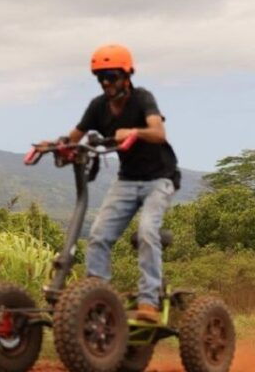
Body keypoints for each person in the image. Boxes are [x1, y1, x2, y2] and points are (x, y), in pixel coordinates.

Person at [48, 44, 180, 323]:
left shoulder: (142, 99)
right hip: (128, 180)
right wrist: (58, 145)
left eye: (111, 76)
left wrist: (133, 131)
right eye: (101, 77)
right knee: (97, 236)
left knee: (146, 232)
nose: (106, 83)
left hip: (160, 179)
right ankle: (98, 299)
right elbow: (75, 136)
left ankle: (149, 302)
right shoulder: (98, 107)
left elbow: (158, 132)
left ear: (126, 75)